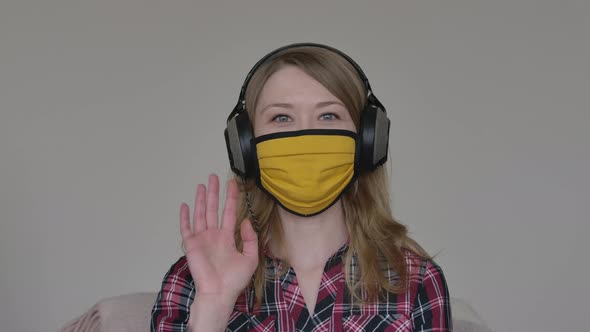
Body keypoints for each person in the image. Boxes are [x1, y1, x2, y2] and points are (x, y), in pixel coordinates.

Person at [150, 43, 452, 332]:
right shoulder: (193, 279)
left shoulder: (415, 279)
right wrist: (212, 312)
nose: (305, 135)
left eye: (328, 116)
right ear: (246, 147)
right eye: (281, 117)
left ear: (367, 141)